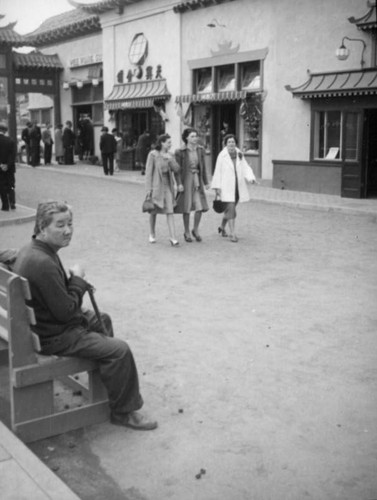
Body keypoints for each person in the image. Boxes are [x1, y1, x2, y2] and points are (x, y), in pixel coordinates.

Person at [13, 201, 157, 431]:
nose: (68, 230)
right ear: (42, 227)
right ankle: (123, 412)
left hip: (41, 328)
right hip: (55, 335)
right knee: (120, 351)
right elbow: (67, 312)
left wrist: (70, 282)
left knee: (104, 320)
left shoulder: (31, 250)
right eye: (60, 225)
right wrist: (78, 280)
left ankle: (110, 382)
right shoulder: (43, 263)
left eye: (70, 224)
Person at [211, 134, 257, 242]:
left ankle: (222, 227)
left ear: (235, 143)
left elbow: (245, 167)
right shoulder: (222, 155)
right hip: (226, 187)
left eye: (233, 142)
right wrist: (217, 187)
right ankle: (232, 233)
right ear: (225, 144)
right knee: (231, 209)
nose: (231, 144)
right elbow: (217, 171)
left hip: (237, 187)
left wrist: (251, 178)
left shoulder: (239, 154)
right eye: (229, 142)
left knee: (230, 209)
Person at [145, 134, 180, 246]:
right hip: (156, 186)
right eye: (169, 142)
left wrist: (171, 161)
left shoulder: (170, 155)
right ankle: (152, 233)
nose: (170, 144)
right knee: (153, 211)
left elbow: (176, 169)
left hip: (167, 186)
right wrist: (148, 189)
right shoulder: (153, 155)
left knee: (170, 211)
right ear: (162, 143)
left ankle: (173, 237)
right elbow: (148, 173)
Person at [174, 128, 209, 242]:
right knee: (187, 206)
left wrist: (206, 182)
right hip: (186, 180)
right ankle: (186, 231)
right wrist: (179, 183)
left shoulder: (200, 150)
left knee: (200, 207)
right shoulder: (180, 151)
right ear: (186, 138)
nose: (195, 138)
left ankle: (195, 229)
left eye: (196, 136)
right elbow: (177, 170)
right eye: (192, 136)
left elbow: (203, 167)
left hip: (197, 180)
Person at [0, 122, 16, 211]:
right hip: (10, 168)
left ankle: (5, 205)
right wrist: (8, 165)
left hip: (0, 168)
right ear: (5, 131)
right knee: (11, 185)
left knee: (1, 186)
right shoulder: (11, 140)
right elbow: (13, 155)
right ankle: (12, 203)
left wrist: (1, 165)